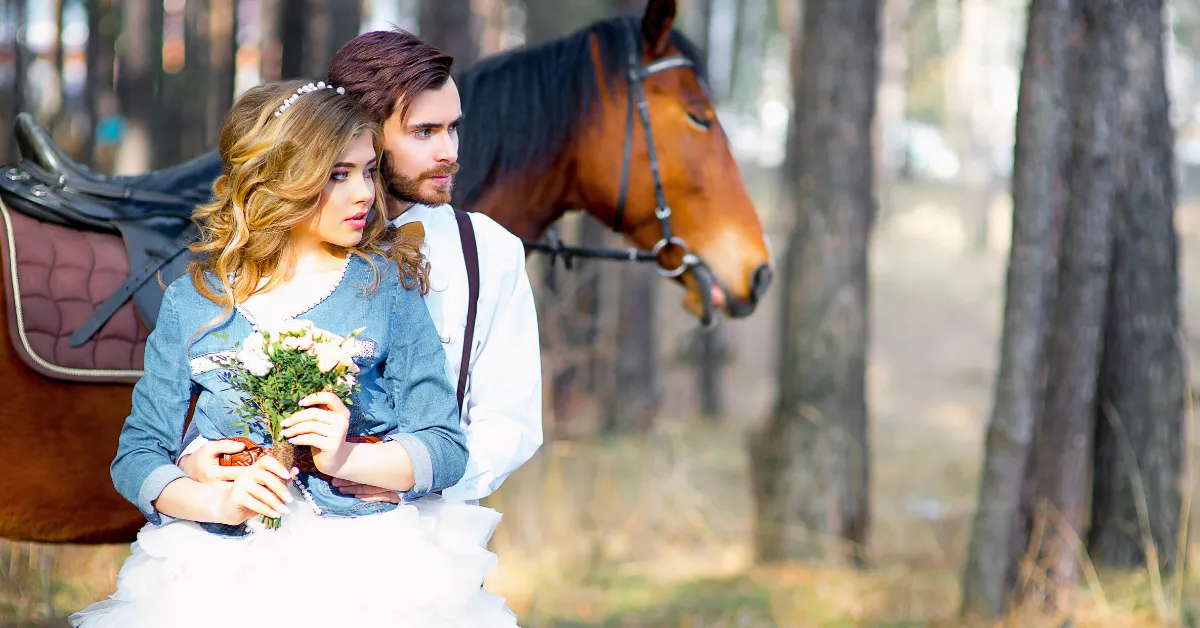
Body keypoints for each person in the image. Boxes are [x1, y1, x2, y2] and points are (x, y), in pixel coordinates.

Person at [69, 79, 519, 627]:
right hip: (213, 573)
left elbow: (445, 447)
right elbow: (137, 455)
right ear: (279, 178)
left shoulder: (386, 286)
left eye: (369, 170)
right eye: (338, 175)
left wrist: (346, 458)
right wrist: (216, 502)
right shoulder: (197, 298)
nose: (364, 194)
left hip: (369, 564)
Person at [177, 29, 543, 508]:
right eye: (424, 132)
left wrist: (411, 478)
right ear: (361, 130)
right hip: (267, 527)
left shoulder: (490, 251)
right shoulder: (275, 244)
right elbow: (211, 393)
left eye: (453, 128)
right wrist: (200, 458)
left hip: (422, 531)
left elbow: (509, 419)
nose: (450, 152)